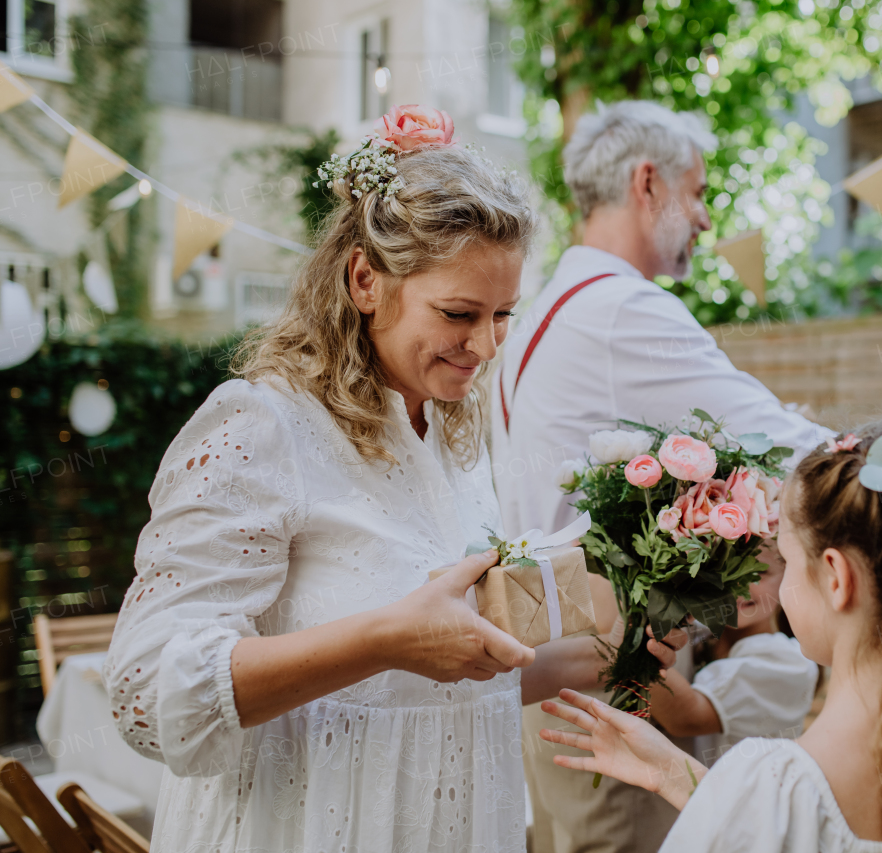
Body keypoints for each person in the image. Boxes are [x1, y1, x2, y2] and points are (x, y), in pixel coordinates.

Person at [103, 108, 686, 852]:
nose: (484, 345)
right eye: (458, 312)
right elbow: (146, 692)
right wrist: (383, 638)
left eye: (503, 314)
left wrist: (615, 648)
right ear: (365, 280)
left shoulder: (450, 438)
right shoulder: (259, 427)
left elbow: (436, 682)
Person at [492, 100, 833, 853]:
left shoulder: (541, 308)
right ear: (647, 183)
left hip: (546, 668)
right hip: (618, 682)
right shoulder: (622, 309)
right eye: (699, 192)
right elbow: (787, 445)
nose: (707, 221)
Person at [538, 422, 882, 853]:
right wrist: (676, 774)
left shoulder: (771, 781)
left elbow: (776, 818)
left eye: (786, 558)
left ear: (836, 577)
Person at [648, 563, 819, 769]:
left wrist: (635, 638)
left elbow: (685, 717)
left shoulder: (790, 662)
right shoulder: (698, 633)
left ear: (788, 576)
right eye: (721, 568)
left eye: (759, 572)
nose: (740, 585)